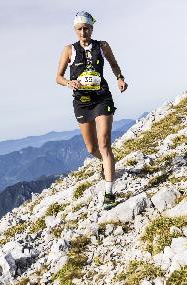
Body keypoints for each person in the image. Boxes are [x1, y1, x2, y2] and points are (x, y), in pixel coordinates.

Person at [55, 11, 128, 210]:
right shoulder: (69, 50)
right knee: (91, 149)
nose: (83, 31)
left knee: (104, 144)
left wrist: (120, 78)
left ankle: (110, 192)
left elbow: (113, 64)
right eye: (79, 29)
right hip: (81, 102)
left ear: (92, 28)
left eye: (86, 28)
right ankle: (107, 164)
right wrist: (69, 83)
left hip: (102, 98)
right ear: (75, 30)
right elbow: (58, 77)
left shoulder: (102, 46)